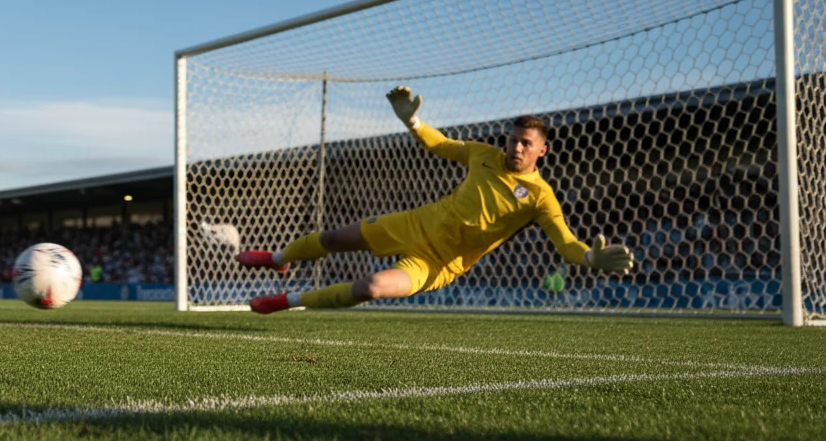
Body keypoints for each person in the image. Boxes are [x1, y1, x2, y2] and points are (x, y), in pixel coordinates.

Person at [237, 86, 635, 313]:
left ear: (541, 151)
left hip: (439, 262)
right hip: (414, 223)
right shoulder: (483, 153)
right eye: (512, 139)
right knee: (330, 240)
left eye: (525, 144)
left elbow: (565, 241)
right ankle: (276, 260)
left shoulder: (541, 198)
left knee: (370, 288)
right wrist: (412, 121)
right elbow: (442, 144)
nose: (515, 148)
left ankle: (286, 301)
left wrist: (588, 258)